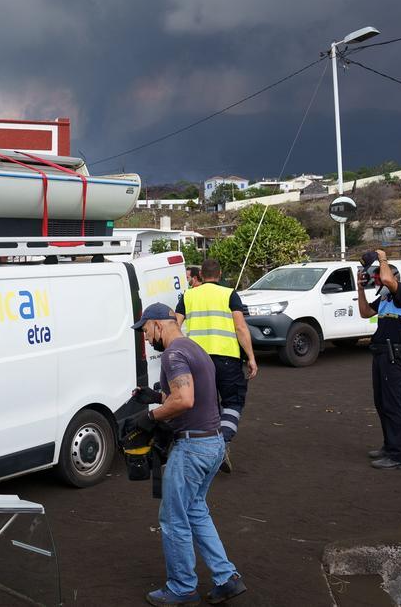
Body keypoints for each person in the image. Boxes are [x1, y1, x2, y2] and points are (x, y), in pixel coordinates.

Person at [126, 303, 247, 606]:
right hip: (213, 442)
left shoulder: (172, 354)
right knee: (195, 510)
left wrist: (150, 417)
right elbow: (191, 393)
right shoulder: (194, 348)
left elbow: (185, 399)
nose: (145, 338)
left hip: (192, 448)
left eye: (145, 330)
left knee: (173, 518)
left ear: (157, 324)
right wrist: (154, 397)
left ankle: (181, 587)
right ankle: (226, 577)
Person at [176, 258, 257, 471]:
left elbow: (175, 326)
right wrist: (251, 357)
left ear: (200, 275)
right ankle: (221, 446)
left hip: (196, 360)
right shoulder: (229, 294)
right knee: (232, 402)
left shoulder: (188, 295)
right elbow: (240, 328)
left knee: (204, 405)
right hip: (227, 358)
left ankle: (197, 453)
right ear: (219, 274)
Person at [356, 249, 401, 470]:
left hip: (396, 354)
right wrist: (360, 289)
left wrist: (382, 257)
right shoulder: (384, 298)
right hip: (381, 353)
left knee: (394, 404)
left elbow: (386, 278)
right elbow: (364, 312)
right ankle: (389, 447)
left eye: (380, 277)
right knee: (382, 403)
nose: (378, 281)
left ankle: (399, 456)